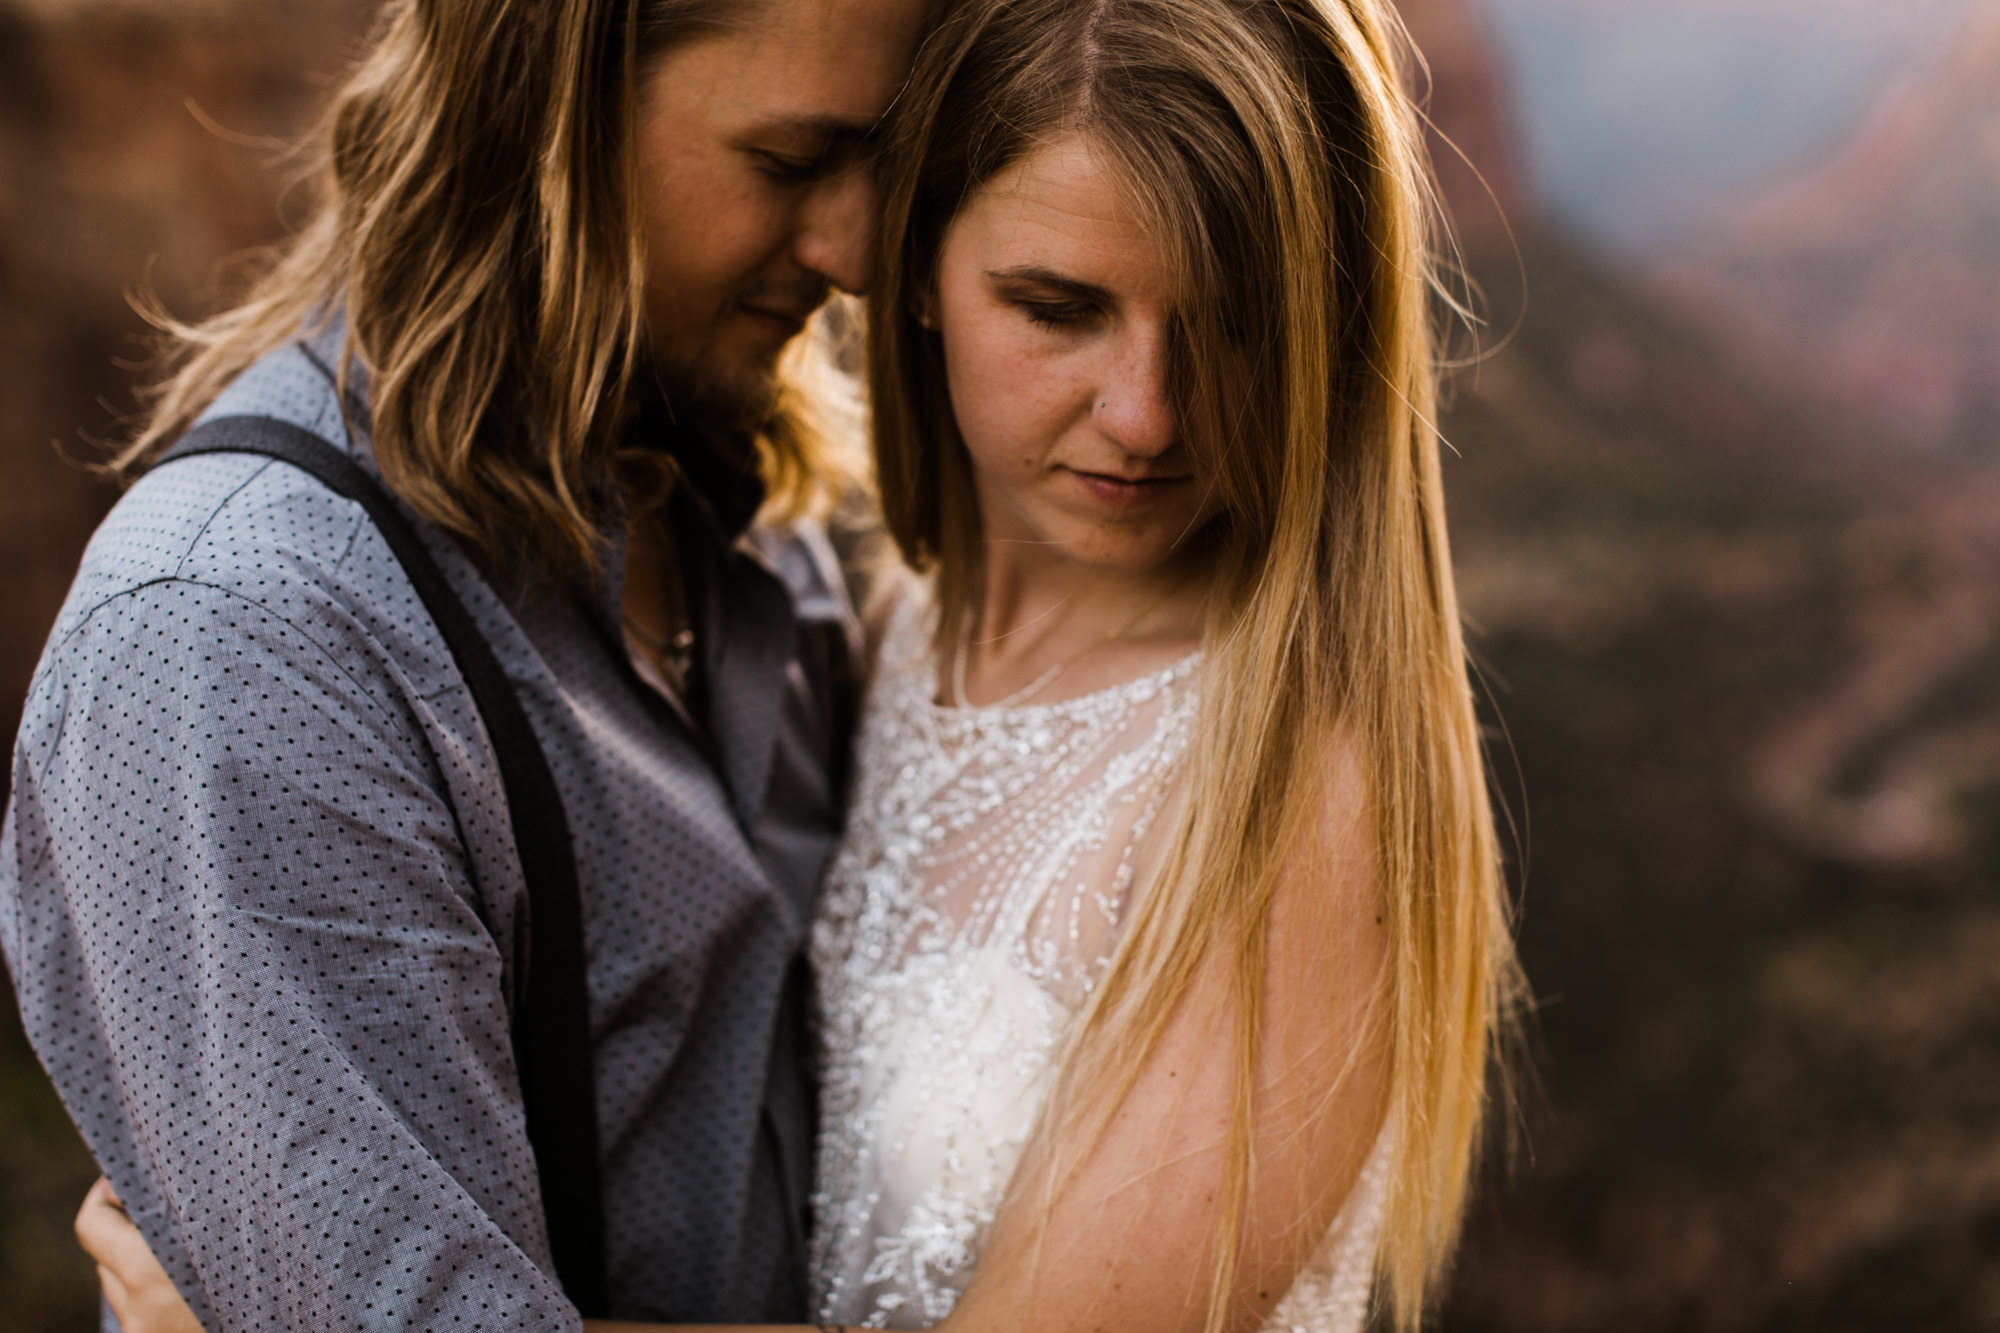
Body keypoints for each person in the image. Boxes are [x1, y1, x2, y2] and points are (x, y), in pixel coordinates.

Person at [82, 0, 1526, 1328]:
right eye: (1058, 306)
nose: (1146, 415)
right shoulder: (863, 610)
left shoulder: (1267, 770)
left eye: (1236, 321)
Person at [3, 0, 928, 1327]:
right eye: (787, 162)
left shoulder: (756, 519)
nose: (855, 250)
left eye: (888, 161)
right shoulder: (242, 635)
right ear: (541, 112)